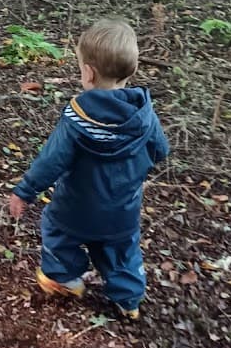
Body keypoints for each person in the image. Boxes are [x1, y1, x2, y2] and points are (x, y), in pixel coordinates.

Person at [9, 19, 168, 318]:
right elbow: (160, 150)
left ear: (88, 72)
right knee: (122, 252)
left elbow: (51, 160)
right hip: (123, 210)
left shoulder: (77, 118)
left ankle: (64, 278)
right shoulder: (143, 116)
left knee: (56, 231)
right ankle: (128, 299)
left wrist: (25, 191)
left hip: (75, 209)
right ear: (131, 70)